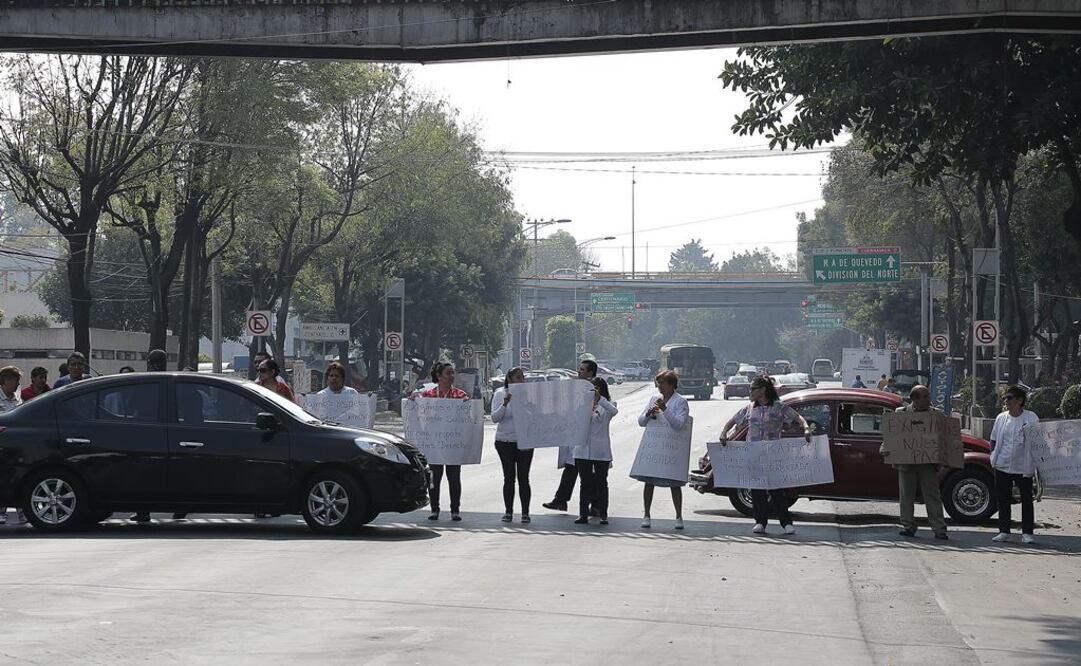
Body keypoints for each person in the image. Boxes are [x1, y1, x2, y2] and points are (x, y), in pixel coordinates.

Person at [719, 375, 811, 535]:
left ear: (762, 390)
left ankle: (786, 523)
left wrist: (806, 428)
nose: (750, 391)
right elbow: (732, 421)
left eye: (753, 389)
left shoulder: (778, 407)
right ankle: (760, 522)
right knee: (757, 490)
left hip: (772, 455)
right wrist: (724, 432)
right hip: (754, 454)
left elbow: (798, 418)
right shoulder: (749, 408)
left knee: (776, 490)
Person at [881, 385, 949, 540]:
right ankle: (908, 526)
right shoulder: (901, 414)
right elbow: (891, 435)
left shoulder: (936, 415)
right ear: (914, 399)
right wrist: (885, 449)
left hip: (928, 463)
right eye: (924, 397)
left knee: (932, 495)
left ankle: (939, 529)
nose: (928, 399)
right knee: (906, 496)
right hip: (906, 463)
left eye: (928, 396)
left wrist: (948, 456)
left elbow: (946, 437)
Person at [414, 362, 470, 521]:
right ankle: (434, 509)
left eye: (453, 373)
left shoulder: (460, 395)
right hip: (434, 444)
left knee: (454, 477)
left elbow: (468, 415)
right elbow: (417, 408)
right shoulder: (428, 395)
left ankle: (455, 510)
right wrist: (413, 399)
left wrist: (468, 406)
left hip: (452, 444)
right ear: (439, 376)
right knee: (433, 478)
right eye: (448, 373)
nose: (452, 376)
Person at [634, 370, 689, 530]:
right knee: (649, 481)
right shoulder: (654, 399)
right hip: (655, 447)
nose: (660, 387)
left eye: (663, 384)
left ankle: (678, 516)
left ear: (672, 385)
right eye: (658, 384)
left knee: (674, 483)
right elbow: (641, 422)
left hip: (671, 448)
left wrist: (665, 409)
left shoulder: (680, 402)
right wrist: (648, 415)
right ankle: (647, 515)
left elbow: (679, 424)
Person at [543, 359, 598, 512]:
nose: (579, 372)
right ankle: (561, 500)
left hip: (587, 438)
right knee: (571, 468)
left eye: (582, 370)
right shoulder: (575, 387)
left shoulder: (594, 388)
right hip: (573, 436)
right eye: (579, 369)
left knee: (588, 473)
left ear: (590, 373)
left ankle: (595, 504)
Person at [990, 386, 1040, 544]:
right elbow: (994, 439)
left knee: (1026, 499)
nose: (1007, 401)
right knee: (1003, 499)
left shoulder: (1031, 417)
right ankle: (1004, 531)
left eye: (1010, 398)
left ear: (1020, 400)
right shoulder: (1001, 418)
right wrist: (993, 457)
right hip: (1003, 464)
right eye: (1005, 398)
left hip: (1023, 466)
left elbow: (1039, 441)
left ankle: (1027, 532)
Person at [490, 367, 534, 523]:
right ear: (509, 378)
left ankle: (525, 513)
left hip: (524, 441)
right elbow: (495, 418)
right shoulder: (500, 394)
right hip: (505, 441)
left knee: (524, 478)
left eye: (523, 377)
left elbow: (536, 416)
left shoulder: (529, 394)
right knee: (509, 477)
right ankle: (508, 512)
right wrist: (505, 403)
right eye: (517, 377)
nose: (521, 380)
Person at [132, 350, 170, 523]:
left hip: (147, 435)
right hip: (156, 434)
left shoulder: (144, 383)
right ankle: (143, 510)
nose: (155, 366)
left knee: (145, 476)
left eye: (157, 363)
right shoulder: (168, 381)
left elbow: (132, 406)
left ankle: (143, 510)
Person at [575, 377, 618, 526]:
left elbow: (614, 411)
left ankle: (603, 514)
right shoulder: (581, 404)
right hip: (582, 449)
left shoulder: (608, 404)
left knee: (601, 483)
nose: (593, 392)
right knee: (584, 483)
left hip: (601, 450)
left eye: (596, 388)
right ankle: (583, 514)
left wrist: (599, 400)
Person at [0, 366, 26, 525]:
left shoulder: (18, 398)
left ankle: (22, 511)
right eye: (15, 380)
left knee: (18, 475)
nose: (17, 384)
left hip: (16, 444)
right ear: (6, 380)